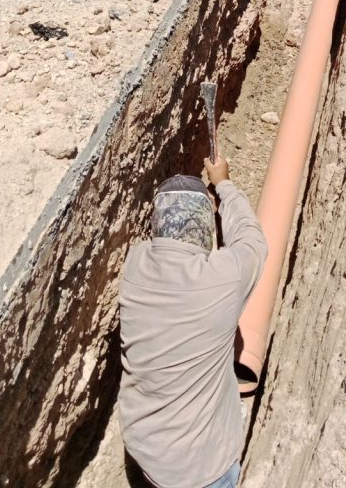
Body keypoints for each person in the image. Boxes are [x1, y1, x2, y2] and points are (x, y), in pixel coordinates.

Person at [119, 153, 267, 488]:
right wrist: (224, 184)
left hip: (144, 453)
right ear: (203, 227)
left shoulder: (135, 264)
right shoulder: (223, 278)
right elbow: (252, 241)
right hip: (203, 472)